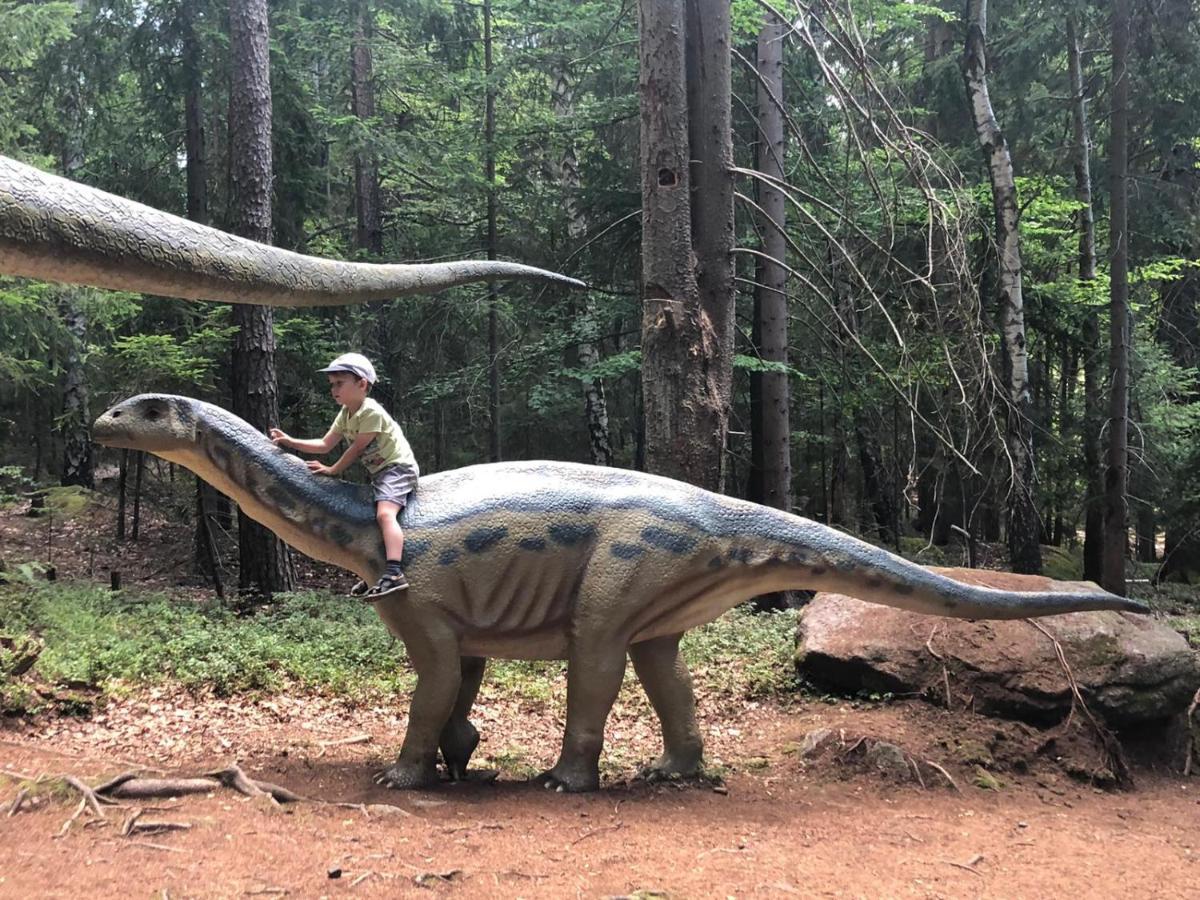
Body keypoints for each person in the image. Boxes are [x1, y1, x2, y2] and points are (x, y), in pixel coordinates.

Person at [270, 353, 418, 599]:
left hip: (397, 468)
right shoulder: (346, 414)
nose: (334, 390)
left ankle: (394, 572)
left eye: (340, 383)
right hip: (380, 474)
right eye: (332, 384)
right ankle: (374, 571)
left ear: (362, 384)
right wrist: (289, 441)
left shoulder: (371, 412)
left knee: (385, 514)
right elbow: (325, 444)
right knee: (369, 520)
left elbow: (356, 448)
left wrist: (333, 470)